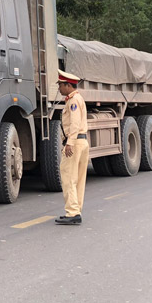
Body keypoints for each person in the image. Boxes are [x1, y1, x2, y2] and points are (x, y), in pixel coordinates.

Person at [56, 70, 89, 225]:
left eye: (60, 85)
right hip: (82, 142)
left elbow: (74, 123)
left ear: (68, 85)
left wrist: (69, 142)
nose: (59, 88)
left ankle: (73, 212)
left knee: (69, 177)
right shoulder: (78, 98)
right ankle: (76, 210)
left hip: (75, 143)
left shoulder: (73, 101)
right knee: (79, 179)